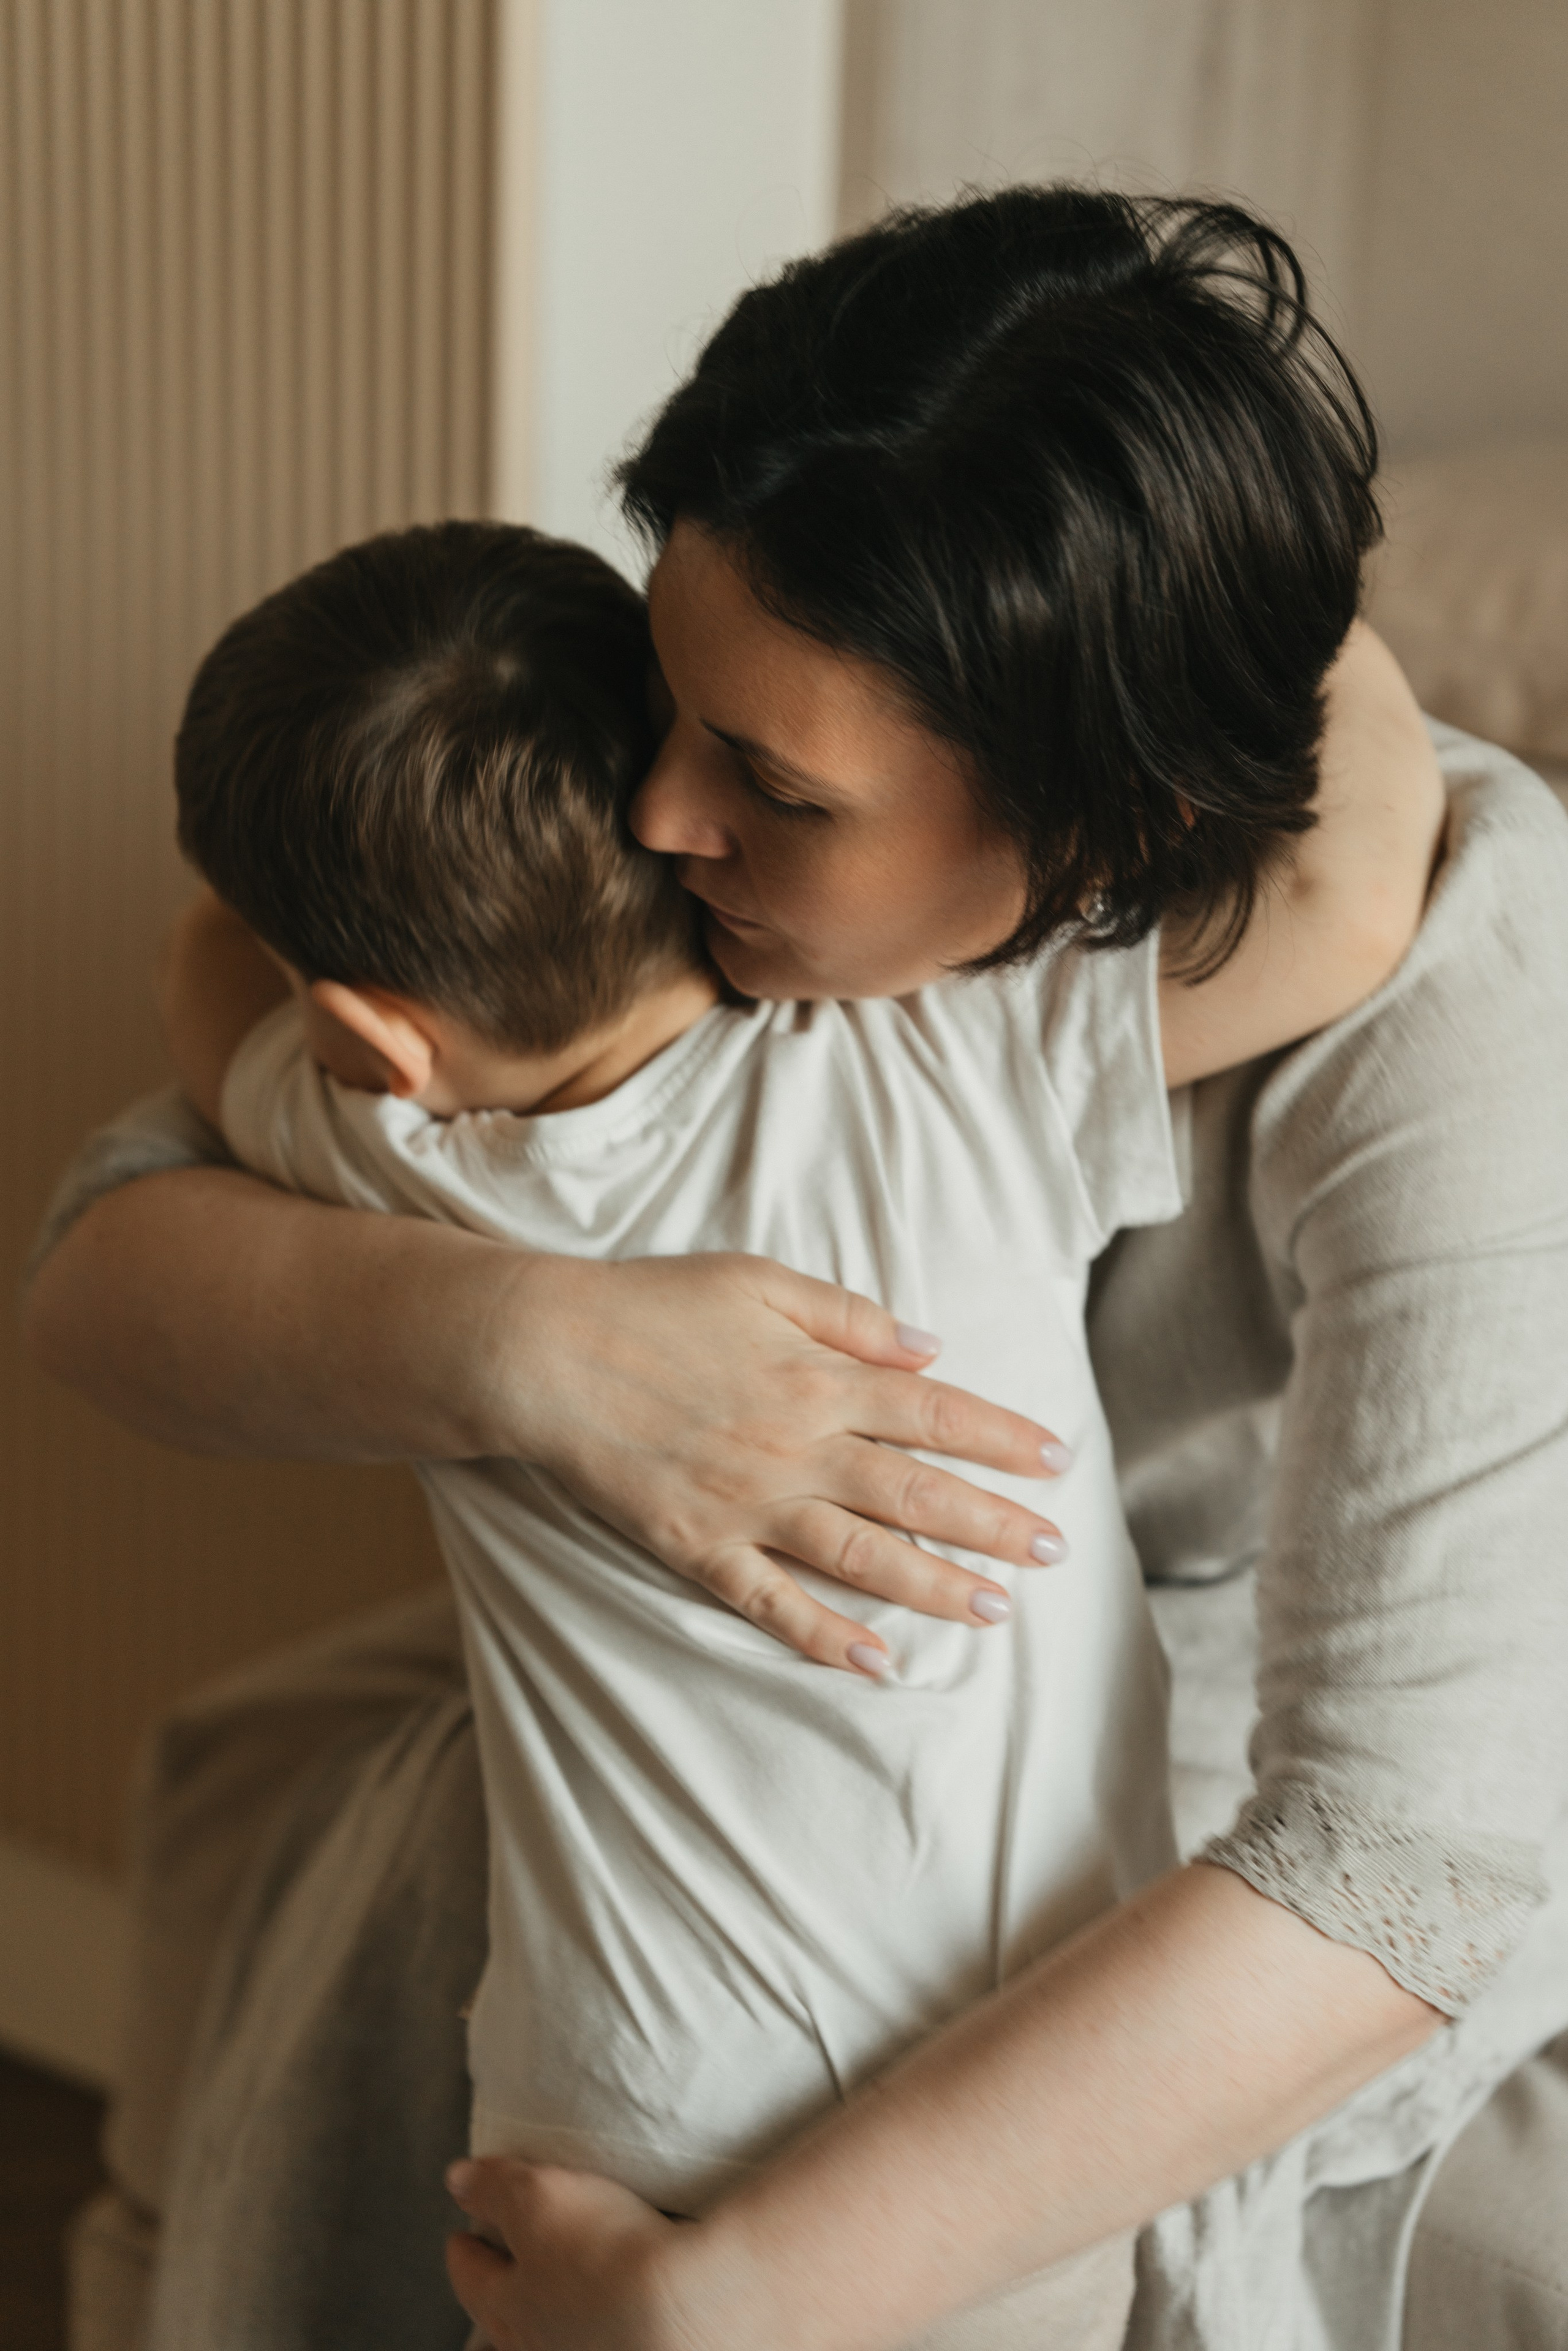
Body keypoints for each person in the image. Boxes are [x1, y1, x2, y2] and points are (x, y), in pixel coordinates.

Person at [26, 189, 1568, 2350]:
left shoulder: (1439, 1028)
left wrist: (729, 2298)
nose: (650, 818)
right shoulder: (698, 956)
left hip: (1198, 1734)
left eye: (766, 781)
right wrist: (535, 1350)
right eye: (665, 698)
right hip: (709, 1896)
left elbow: (1405, 1861)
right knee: (346, 1804)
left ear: (1093, 828)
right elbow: (102, 1266)